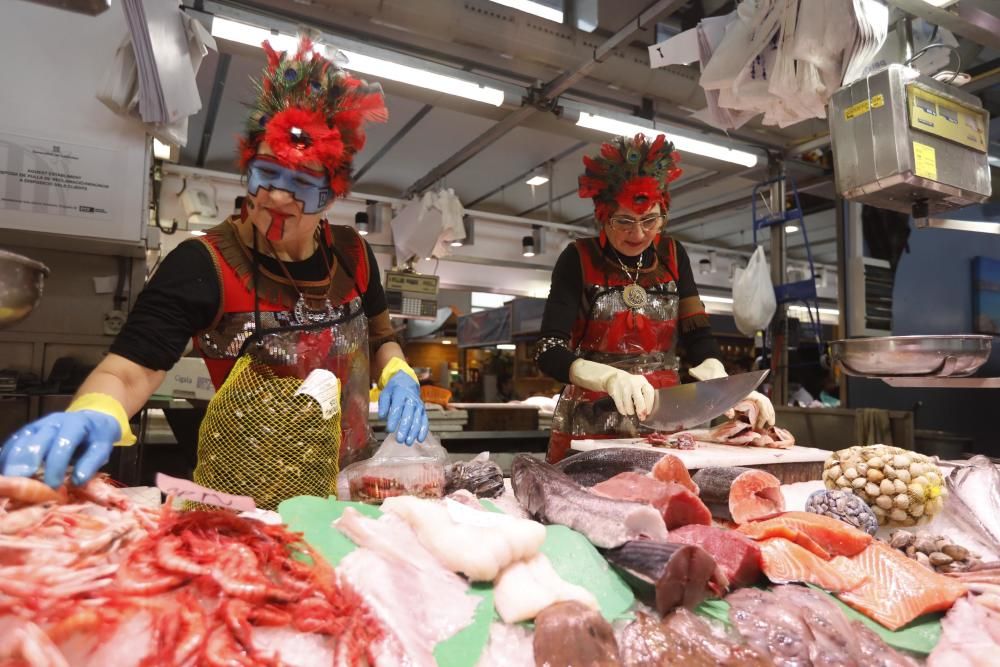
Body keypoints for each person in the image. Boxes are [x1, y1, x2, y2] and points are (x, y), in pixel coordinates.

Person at [0, 38, 429, 507]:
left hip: (352, 491)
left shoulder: (354, 255)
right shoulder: (202, 264)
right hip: (251, 505)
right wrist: (97, 409)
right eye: (267, 174)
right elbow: (128, 372)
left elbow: (380, 336)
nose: (279, 198)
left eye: (303, 184)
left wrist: (398, 372)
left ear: (332, 194)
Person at [535, 133, 775, 462]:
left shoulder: (673, 255)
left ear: (663, 211)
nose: (638, 233)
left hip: (667, 414)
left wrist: (724, 386)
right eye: (623, 221)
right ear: (602, 216)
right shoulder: (578, 258)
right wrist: (608, 376)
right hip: (592, 418)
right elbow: (549, 350)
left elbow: (698, 334)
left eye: (650, 219)